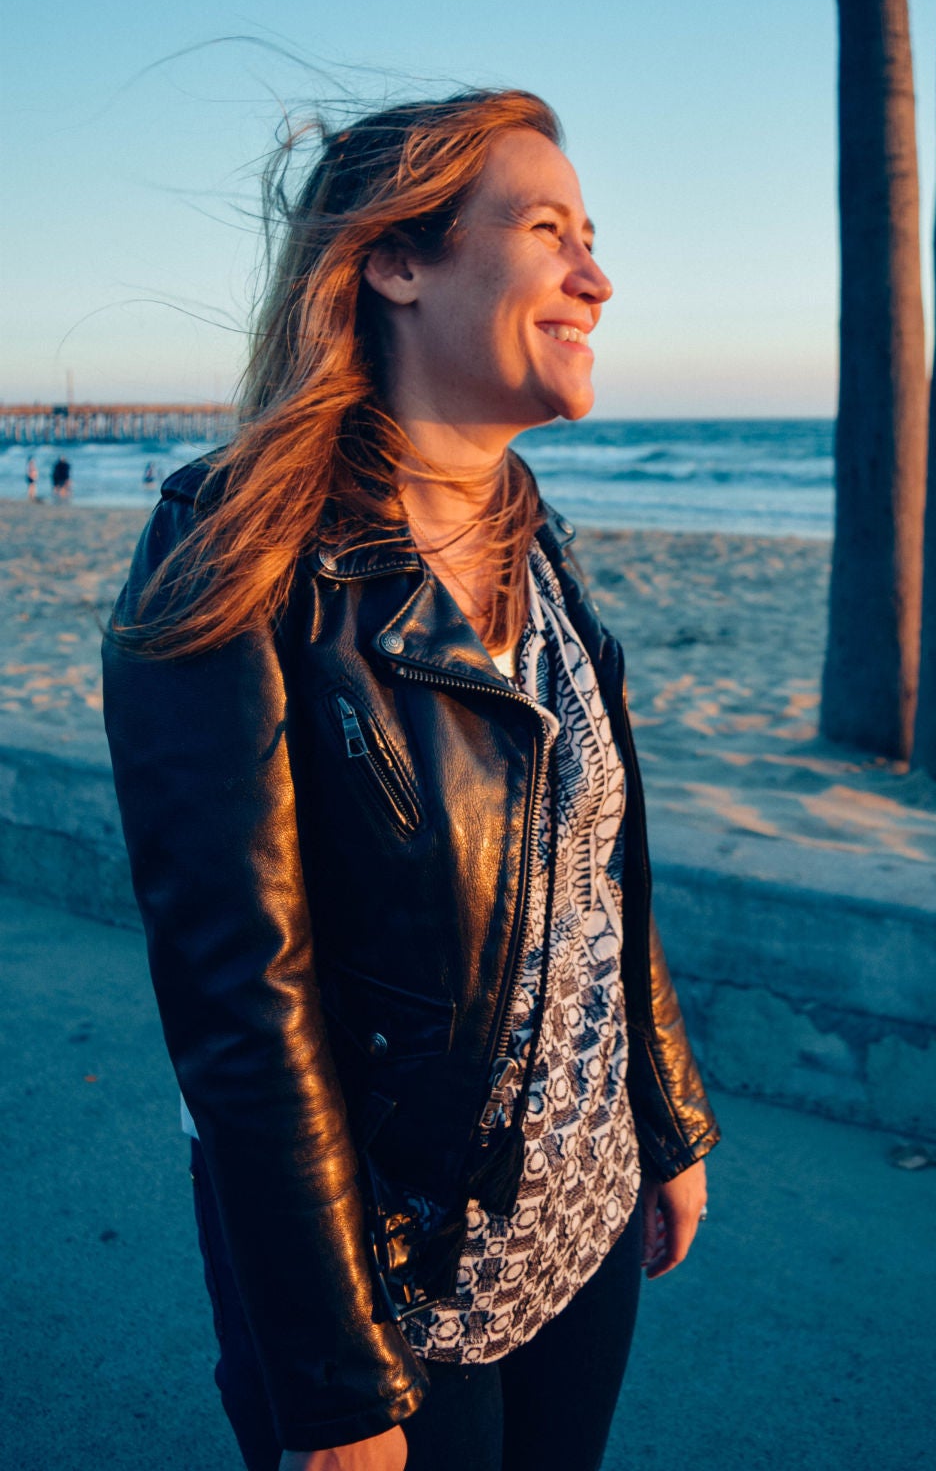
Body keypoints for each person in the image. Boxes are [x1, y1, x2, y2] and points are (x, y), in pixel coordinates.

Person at [102, 90, 719, 1471]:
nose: (597, 275)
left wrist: (663, 1121)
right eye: (548, 230)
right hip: (387, 1277)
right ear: (395, 261)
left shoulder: (532, 537)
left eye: (593, 235)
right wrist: (333, 1383)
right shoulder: (238, 550)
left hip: (585, 1213)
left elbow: (593, 879)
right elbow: (240, 1006)